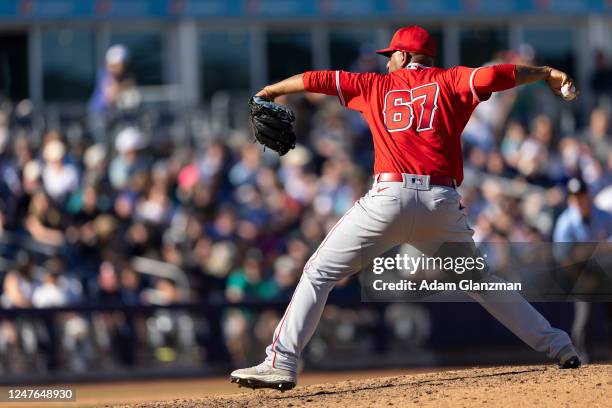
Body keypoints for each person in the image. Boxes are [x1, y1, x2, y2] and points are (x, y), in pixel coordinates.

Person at [230, 26, 583, 390]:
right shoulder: (452, 80)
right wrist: (546, 73)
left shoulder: (374, 86)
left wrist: (269, 91)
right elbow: (497, 74)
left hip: (389, 200)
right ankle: (559, 345)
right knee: (481, 282)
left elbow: (315, 78)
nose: (387, 64)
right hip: (441, 204)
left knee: (319, 272)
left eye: (390, 57)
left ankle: (281, 361)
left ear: (403, 56)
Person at [553, 177, 612, 362]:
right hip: (580, 274)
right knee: (583, 317)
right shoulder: (566, 222)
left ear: (588, 196)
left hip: (605, 271)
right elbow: (563, 258)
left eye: (581, 195)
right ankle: (581, 357)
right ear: (570, 199)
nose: (578, 200)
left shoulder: (604, 216)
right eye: (574, 197)